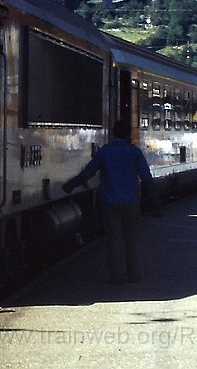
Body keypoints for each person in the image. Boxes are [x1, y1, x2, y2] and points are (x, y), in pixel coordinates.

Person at [62, 118, 158, 285]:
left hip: (109, 201)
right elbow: (146, 177)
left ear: (113, 133)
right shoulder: (134, 152)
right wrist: (156, 199)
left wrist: (71, 185)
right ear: (128, 134)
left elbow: (88, 172)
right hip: (131, 201)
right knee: (131, 238)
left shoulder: (105, 152)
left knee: (114, 239)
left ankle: (117, 276)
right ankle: (133, 274)